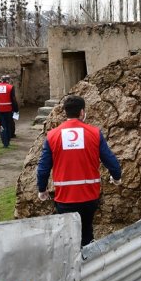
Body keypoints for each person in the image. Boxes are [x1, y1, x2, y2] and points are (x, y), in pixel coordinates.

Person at [36, 95, 122, 247]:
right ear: (82, 112)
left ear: (65, 112)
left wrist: (42, 189)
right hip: (89, 197)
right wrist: (116, 177)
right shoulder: (94, 133)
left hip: (64, 198)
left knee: (68, 236)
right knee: (87, 231)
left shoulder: (52, 135)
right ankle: (88, 262)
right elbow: (111, 160)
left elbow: (43, 168)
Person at [0, 75, 19, 147]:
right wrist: (16, 109)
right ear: (8, 80)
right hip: (8, 109)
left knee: (1, 125)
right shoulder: (10, 87)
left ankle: (4, 141)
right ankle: (8, 140)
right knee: (8, 124)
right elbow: (13, 99)